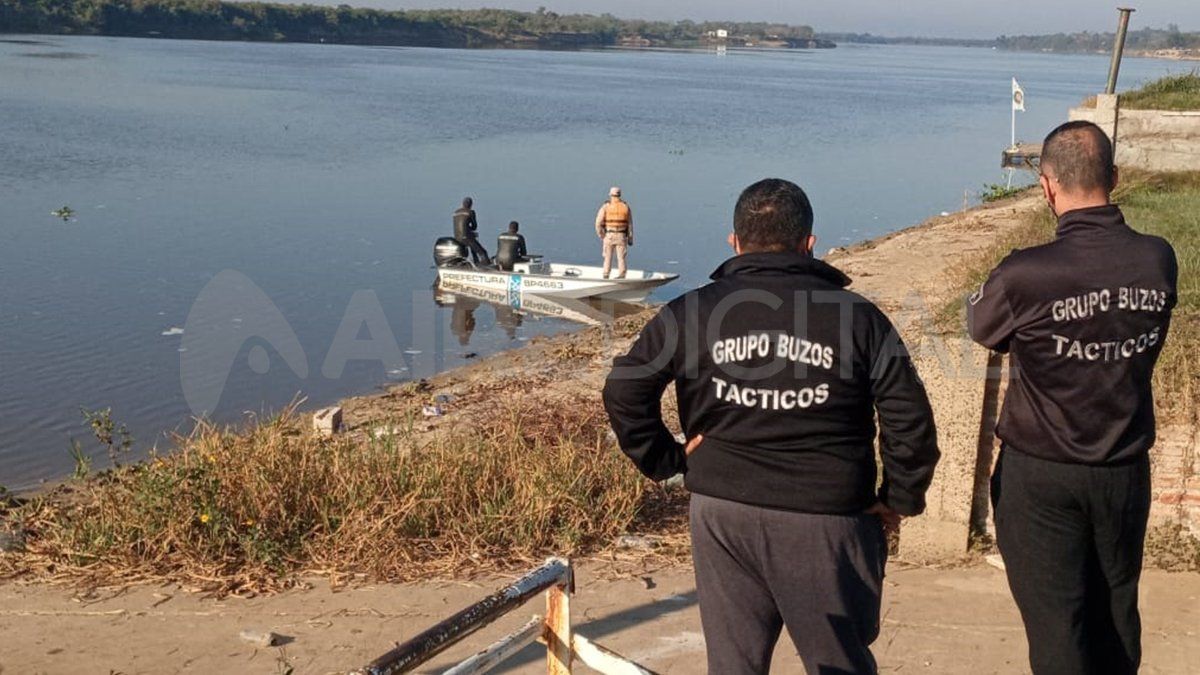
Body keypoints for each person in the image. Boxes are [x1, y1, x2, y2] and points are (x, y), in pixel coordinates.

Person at [603, 178, 940, 674]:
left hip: (723, 512)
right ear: (809, 243)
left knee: (734, 664)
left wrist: (666, 460)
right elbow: (909, 418)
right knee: (837, 662)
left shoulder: (692, 311)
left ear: (735, 242)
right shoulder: (858, 318)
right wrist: (899, 497)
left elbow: (624, 388)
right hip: (825, 520)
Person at [968, 120, 1178, 675]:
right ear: (1114, 177)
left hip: (1040, 473)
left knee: (1056, 625)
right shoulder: (1157, 259)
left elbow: (981, 326)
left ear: (1047, 186)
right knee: (1116, 615)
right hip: (1123, 468)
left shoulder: (1024, 273)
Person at [595, 186, 632, 279]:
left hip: (609, 235)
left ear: (611, 195)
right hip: (622, 236)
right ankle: (622, 274)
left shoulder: (606, 206)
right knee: (621, 257)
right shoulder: (625, 207)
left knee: (607, 256)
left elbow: (598, 223)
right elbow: (630, 224)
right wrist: (630, 238)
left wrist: (601, 234)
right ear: (620, 195)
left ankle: (606, 274)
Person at [452, 197, 491, 266]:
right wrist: (470, 229)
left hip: (457, 237)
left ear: (462, 204)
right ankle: (486, 266)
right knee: (483, 253)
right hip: (466, 237)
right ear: (471, 205)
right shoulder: (471, 212)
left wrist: (468, 229)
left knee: (472, 242)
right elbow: (474, 227)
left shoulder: (455, 212)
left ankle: (475, 262)